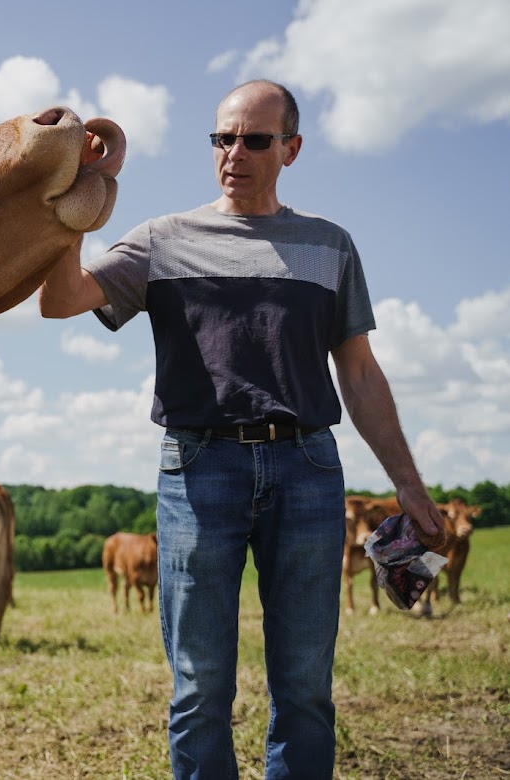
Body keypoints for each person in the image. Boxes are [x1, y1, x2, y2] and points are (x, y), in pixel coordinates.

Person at [39, 80, 445, 779]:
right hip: (199, 471)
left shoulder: (329, 246)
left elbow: (361, 373)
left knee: (306, 688)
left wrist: (408, 484)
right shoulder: (163, 241)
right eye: (223, 138)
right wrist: (72, 203)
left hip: (308, 472)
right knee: (199, 688)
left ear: (291, 148)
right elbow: (60, 301)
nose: (235, 152)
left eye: (255, 139)